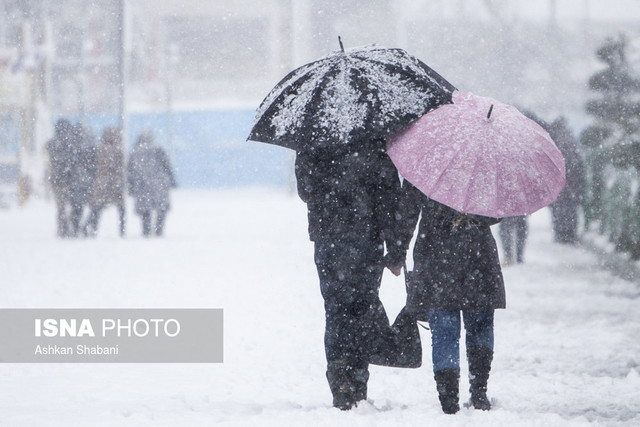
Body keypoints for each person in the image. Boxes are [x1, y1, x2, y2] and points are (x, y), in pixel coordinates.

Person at [294, 141, 408, 410]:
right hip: (367, 238)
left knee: (335, 310)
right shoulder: (376, 139)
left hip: (329, 238)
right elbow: (390, 198)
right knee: (363, 308)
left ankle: (339, 378)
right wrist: (395, 250)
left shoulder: (312, 140)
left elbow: (305, 191)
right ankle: (358, 380)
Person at [396, 182, 505, 414]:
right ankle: (479, 391)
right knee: (480, 322)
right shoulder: (483, 162)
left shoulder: (426, 161)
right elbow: (500, 212)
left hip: (435, 250)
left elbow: (407, 210)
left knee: (444, 327)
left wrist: (397, 252)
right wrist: (473, 214)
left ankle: (448, 399)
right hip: (478, 251)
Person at [127, 132, 176, 237]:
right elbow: (166, 165)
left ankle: (146, 231)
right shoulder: (158, 149)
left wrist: (131, 187)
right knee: (161, 208)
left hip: (142, 185)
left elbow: (130, 171)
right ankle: (159, 230)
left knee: (145, 210)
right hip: (159, 183)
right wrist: (172, 180)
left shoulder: (135, 151)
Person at [546, 117, 586, 244]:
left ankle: (562, 235)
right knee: (569, 212)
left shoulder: (555, 143)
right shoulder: (571, 145)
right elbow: (580, 168)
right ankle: (569, 235)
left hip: (562, 187)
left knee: (561, 212)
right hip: (569, 186)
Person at [84, 127, 126, 237]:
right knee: (121, 208)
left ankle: (91, 228)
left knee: (97, 207)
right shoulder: (117, 149)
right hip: (115, 182)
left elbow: (93, 166)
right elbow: (120, 167)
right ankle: (122, 231)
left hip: (101, 182)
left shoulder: (99, 149)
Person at [66, 122, 97, 237]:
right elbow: (94, 166)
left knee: (77, 207)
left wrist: (69, 180)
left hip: (75, 182)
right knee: (92, 207)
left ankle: (75, 229)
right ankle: (87, 227)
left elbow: (69, 168)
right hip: (88, 181)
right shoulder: (91, 147)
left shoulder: (72, 147)